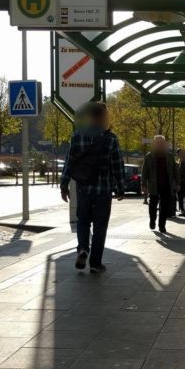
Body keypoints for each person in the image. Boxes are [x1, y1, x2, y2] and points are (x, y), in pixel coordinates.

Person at [60, 102, 124, 273]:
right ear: (103, 116)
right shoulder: (111, 139)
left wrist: (64, 185)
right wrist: (120, 186)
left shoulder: (77, 136)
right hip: (103, 190)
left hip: (83, 189)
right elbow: (117, 165)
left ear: (90, 116)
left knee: (83, 222)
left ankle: (82, 248)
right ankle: (95, 263)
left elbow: (69, 162)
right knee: (100, 226)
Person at [141, 135, 178, 233]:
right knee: (152, 205)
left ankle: (162, 225)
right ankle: (152, 220)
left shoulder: (169, 156)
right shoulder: (149, 156)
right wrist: (143, 184)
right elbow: (144, 171)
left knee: (164, 206)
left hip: (166, 185)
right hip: (154, 186)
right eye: (158, 143)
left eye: (161, 143)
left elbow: (175, 171)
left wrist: (178, 183)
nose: (160, 145)